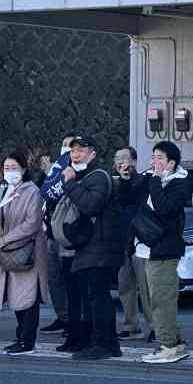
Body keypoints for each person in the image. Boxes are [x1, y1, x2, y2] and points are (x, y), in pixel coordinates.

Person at [60, 133, 123, 360]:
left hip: (102, 247)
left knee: (98, 296)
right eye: (73, 151)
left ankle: (104, 344)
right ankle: (105, 343)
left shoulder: (98, 176)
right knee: (93, 295)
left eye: (81, 151)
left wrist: (70, 183)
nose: (75, 155)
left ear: (93, 154)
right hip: (91, 246)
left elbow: (90, 205)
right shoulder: (85, 175)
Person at [130, 141, 189, 364]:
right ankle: (176, 342)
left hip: (165, 250)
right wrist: (128, 177)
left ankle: (169, 346)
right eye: (153, 157)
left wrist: (155, 180)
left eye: (160, 158)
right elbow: (131, 196)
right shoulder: (149, 177)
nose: (155, 162)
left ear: (171, 163)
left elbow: (164, 208)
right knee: (151, 300)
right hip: (144, 248)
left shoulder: (179, 183)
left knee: (162, 300)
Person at [0, 150, 49, 355]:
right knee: (15, 294)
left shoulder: (32, 191)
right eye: (6, 168)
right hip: (9, 251)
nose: (10, 172)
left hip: (28, 249)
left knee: (28, 296)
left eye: (14, 168)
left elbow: (33, 223)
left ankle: (27, 340)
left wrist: (6, 239)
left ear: (23, 169)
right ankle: (20, 336)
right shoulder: (2, 191)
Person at [114, 145, 154, 342]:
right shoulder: (115, 184)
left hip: (140, 241)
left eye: (124, 158)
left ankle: (155, 326)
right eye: (117, 159)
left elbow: (135, 198)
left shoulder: (143, 181)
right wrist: (123, 180)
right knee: (125, 286)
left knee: (146, 288)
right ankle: (131, 326)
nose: (121, 162)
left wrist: (127, 179)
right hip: (122, 242)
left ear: (135, 161)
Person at [40, 131, 76, 334]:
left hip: (68, 233)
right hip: (51, 232)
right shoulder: (55, 169)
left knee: (69, 277)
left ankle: (73, 319)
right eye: (64, 144)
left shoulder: (78, 171)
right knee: (54, 277)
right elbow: (43, 193)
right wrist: (47, 175)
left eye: (70, 145)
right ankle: (62, 316)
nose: (67, 148)